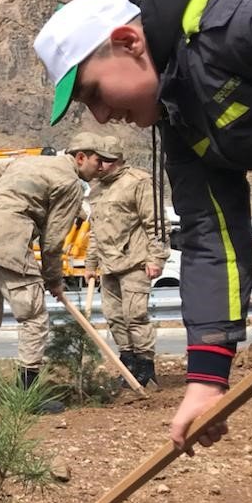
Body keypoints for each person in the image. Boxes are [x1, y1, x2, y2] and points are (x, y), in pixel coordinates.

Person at [33, 0, 252, 503]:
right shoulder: (182, 114)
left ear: (128, 44)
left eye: (94, 94)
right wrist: (206, 377)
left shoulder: (240, 23)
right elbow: (211, 239)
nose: (101, 118)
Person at [0, 148, 103, 412]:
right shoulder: (70, 183)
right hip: (8, 243)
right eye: (98, 161)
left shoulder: (28, 161)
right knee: (34, 318)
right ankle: (27, 397)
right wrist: (54, 280)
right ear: (81, 157)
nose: (101, 167)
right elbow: (52, 241)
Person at [80, 134, 170, 388]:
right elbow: (96, 230)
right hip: (109, 266)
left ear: (115, 160)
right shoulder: (97, 189)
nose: (98, 167)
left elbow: (157, 224)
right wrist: (90, 264)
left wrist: (156, 258)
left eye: (103, 161)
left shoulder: (138, 182)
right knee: (115, 318)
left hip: (135, 263)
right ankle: (128, 365)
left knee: (136, 316)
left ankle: (145, 368)